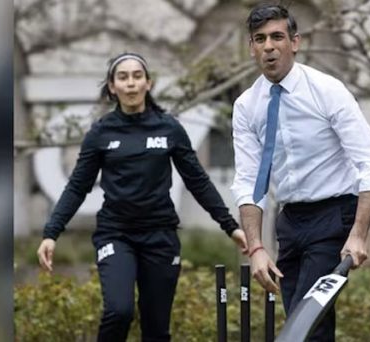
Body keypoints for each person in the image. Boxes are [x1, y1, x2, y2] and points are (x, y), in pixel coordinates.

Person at [36, 52, 248, 342]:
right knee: (119, 311)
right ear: (112, 87)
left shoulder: (169, 128)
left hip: (160, 237)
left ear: (148, 83)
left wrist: (231, 226)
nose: (131, 83)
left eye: (137, 76)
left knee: (156, 329)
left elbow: (197, 180)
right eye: (123, 77)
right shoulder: (101, 133)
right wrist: (51, 233)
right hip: (116, 234)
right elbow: (76, 187)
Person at [230, 4, 370, 341]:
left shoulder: (327, 90)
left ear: (295, 42)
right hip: (288, 222)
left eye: (277, 37)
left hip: (334, 216)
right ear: (251, 47)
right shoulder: (246, 106)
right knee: (301, 322)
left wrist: (359, 233)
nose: (269, 46)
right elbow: (248, 181)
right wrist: (256, 247)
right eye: (260, 39)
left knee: (306, 323)